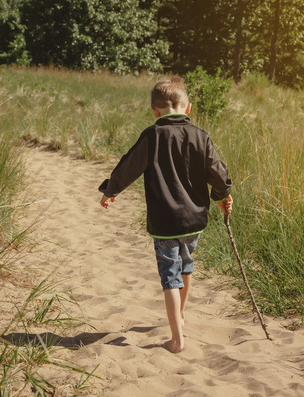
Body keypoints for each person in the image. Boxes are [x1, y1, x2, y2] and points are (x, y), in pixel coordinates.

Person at [98, 78, 233, 353]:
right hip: (194, 219)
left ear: (154, 111)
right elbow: (217, 171)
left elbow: (128, 166)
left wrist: (111, 190)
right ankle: (180, 315)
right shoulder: (200, 135)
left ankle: (176, 339)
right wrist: (222, 195)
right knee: (186, 265)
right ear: (188, 108)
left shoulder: (152, 135)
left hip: (165, 222)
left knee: (169, 276)